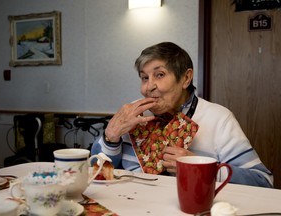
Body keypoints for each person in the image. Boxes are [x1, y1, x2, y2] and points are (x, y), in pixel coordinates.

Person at [91, 42, 273, 188]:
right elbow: (96, 172)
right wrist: (111, 137)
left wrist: (199, 168)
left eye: (159, 75)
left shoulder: (219, 118)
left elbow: (263, 181)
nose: (148, 87)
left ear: (186, 78)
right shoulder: (131, 114)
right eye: (144, 77)